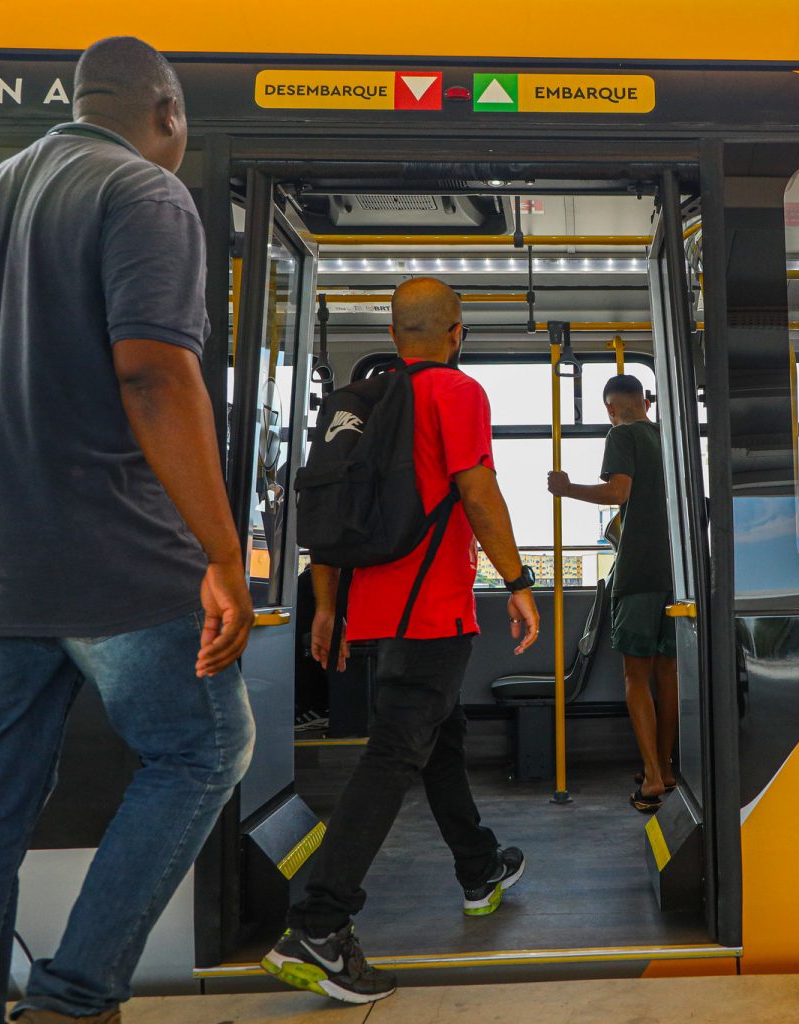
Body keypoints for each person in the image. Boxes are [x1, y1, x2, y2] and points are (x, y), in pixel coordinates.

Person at [0, 37, 255, 1024]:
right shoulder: (142, 193)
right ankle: (75, 993)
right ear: (166, 112)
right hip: (110, 558)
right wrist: (222, 554)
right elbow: (153, 376)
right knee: (201, 748)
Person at [264, 277, 540, 1004]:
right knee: (393, 755)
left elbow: (329, 519)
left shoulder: (366, 402)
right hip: (435, 613)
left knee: (440, 735)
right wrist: (518, 580)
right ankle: (318, 924)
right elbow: (477, 490)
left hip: (375, 616)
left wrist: (326, 610)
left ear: (393, 337)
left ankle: (479, 867)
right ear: (457, 333)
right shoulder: (457, 393)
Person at [547, 374, 678, 814]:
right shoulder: (668, 436)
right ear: (645, 401)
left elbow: (619, 492)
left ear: (610, 408)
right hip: (676, 576)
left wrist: (567, 490)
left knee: (635, 678)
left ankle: (653, 778)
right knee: (668, 676)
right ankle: (666, 766)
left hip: (638, 572)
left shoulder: (621, 434)